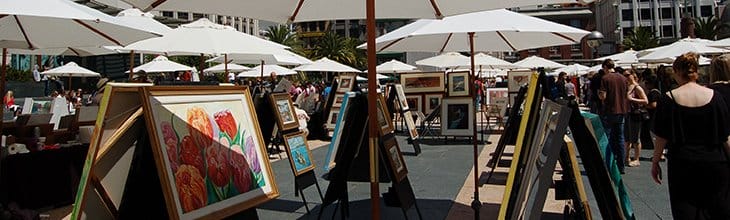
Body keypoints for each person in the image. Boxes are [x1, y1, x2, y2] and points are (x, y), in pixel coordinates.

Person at [651, 52, 730, 219]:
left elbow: (661, 136)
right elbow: (724, 135)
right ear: (696, 72)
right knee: (717, 209)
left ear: (676, 72)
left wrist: (655, 161)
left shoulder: (668, 99)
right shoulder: (715, 97)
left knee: (684, 208)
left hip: (682, 161)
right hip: (714, 160)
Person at [598, 59, 630, 174]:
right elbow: (627, 94)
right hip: (621, 111)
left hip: (609, 111)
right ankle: (621, 166)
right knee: (620, 139)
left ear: (606, 67)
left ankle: (608, 165)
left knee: (607, 139)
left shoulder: (605, 78)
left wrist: (600, 95)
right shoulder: (623, 78)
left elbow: (603, 96)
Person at [623, 69, 648, 167]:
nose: (626, 77)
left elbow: (645, 101)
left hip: (635, 113)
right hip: (627, 113)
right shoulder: (627, 87)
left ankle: (637, 158)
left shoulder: (637, 88)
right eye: (624, 75)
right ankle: (627, 157)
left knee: (635, 138)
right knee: (627, 138)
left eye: (628, 75)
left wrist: (632, 99)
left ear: (633, 75)